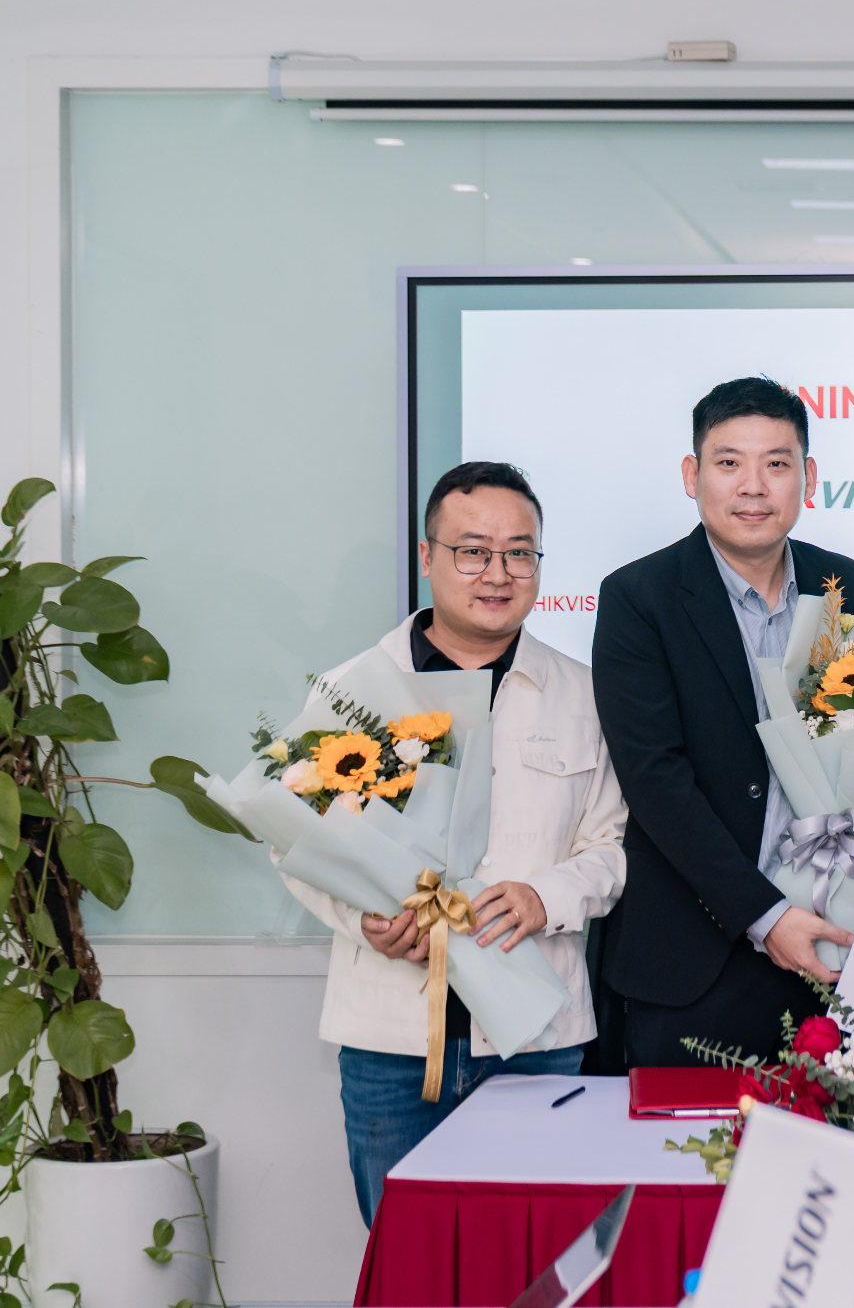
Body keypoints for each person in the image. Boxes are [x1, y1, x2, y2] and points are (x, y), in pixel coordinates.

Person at [281, 461, 628, 1227]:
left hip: (538, 1037)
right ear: (427, 556)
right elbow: (296, 847)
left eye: (520, 553)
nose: (497, 574)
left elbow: (614, 846)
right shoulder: (352, 690)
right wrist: (364, 919)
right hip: (391, 1046)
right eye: (473, 551)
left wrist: (546, 897)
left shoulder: (585, 694)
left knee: (537, 1257)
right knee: (408, 1260)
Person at [591, 375, 854, 1069]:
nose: (753, 486)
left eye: (776, 463)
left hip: (832, 946)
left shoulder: (845, 585)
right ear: (692, 475)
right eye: (729, 462)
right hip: (696, 961)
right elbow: (655, 782)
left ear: (808, 477)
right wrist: (766, 916)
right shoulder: (638, 597)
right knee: (690, 1144)